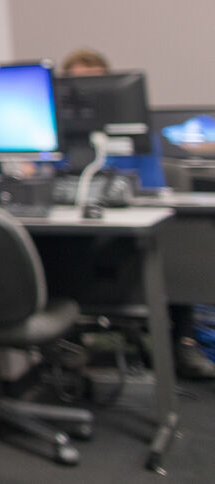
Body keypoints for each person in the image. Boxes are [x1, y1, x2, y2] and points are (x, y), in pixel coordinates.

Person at [59, 47, 215, 380]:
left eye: (93, 84)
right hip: (77, 235)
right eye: (74, 85)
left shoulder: (138, 134)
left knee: (174, 248)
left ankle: (182, 344)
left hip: (129, 234)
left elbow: (150, 189)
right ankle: (66, 344)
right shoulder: (55, 140)